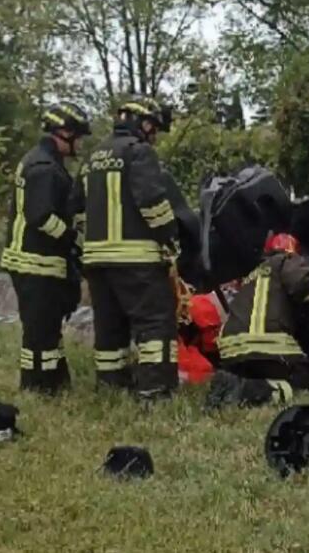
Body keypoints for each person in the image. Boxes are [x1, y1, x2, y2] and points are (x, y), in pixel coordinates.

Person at [76, 94, 182, 401]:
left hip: (96, 262)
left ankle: (111, 387)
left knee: (109, 327)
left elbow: (77, 209)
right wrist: (169, 237)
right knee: (155, 324)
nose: (155, 136)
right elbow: (151, 202)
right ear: (143, 123)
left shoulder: (93, 158)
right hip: (137, 260)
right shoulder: (139, 153)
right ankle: (155, 391)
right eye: (154, 128)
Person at [0, 102, 92, 395]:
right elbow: (41, 216)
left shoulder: (40, 161)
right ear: (63, 132)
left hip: (35, 263)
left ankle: (53, 384)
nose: (79, 143)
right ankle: (37, 388)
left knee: (47, 331)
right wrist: (72, 239)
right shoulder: (44, 168)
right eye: (77, 136)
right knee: (40, 334)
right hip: (35, 264)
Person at [212, 233, 309, 406]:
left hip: (231, 349)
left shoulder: (254, 274)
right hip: (264, 344)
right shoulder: (285, 260)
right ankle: (249, 392)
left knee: (260, 372)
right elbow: (306, 286)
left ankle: (232, 387)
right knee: (302, 381)